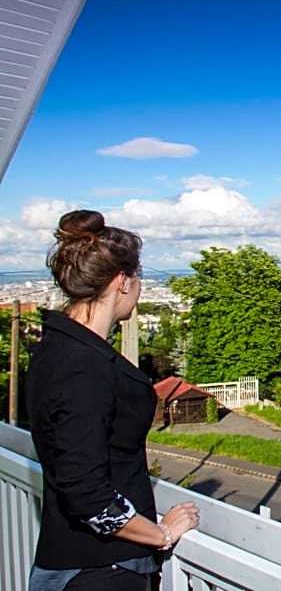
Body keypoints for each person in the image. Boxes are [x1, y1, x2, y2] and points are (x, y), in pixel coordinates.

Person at [25, 210, 200, 591]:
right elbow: (87, 494)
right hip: (101, 572)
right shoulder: (83, 367)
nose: (139, 289)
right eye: (139, 279)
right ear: (122, 281)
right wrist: (161, 535)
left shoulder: (57, 346)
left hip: (74, 562)